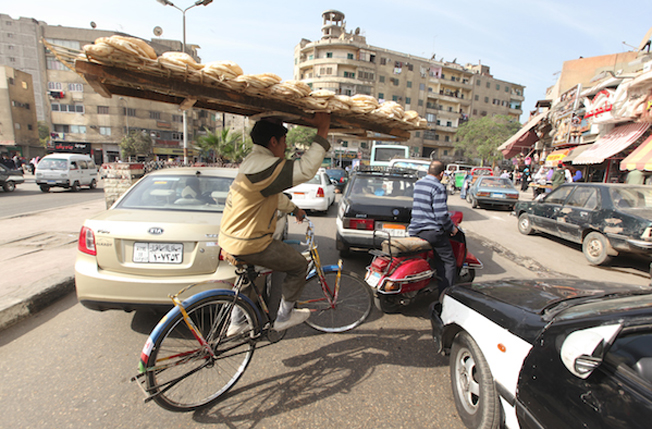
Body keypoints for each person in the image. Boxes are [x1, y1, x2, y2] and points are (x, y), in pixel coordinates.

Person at [219, 113, 331, 335]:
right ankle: (284, 317)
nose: (286, 147)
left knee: (250, 274)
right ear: (273, 141)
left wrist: (295, 209)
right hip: (249, 242)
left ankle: (236, 322)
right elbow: (306, 169)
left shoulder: (252, 162)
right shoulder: (265, 165)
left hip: (230, 239)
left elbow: (273, 196)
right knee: (299, 265)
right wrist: (322, 132)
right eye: (284, 142)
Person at [408, 160, 458, 297]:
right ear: (442, 173)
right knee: (448, 262)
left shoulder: (418, 184)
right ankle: (446, 296)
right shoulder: (438, 187)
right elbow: (441, 214)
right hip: (431, 231)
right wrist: (452, 229)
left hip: (414, 230)